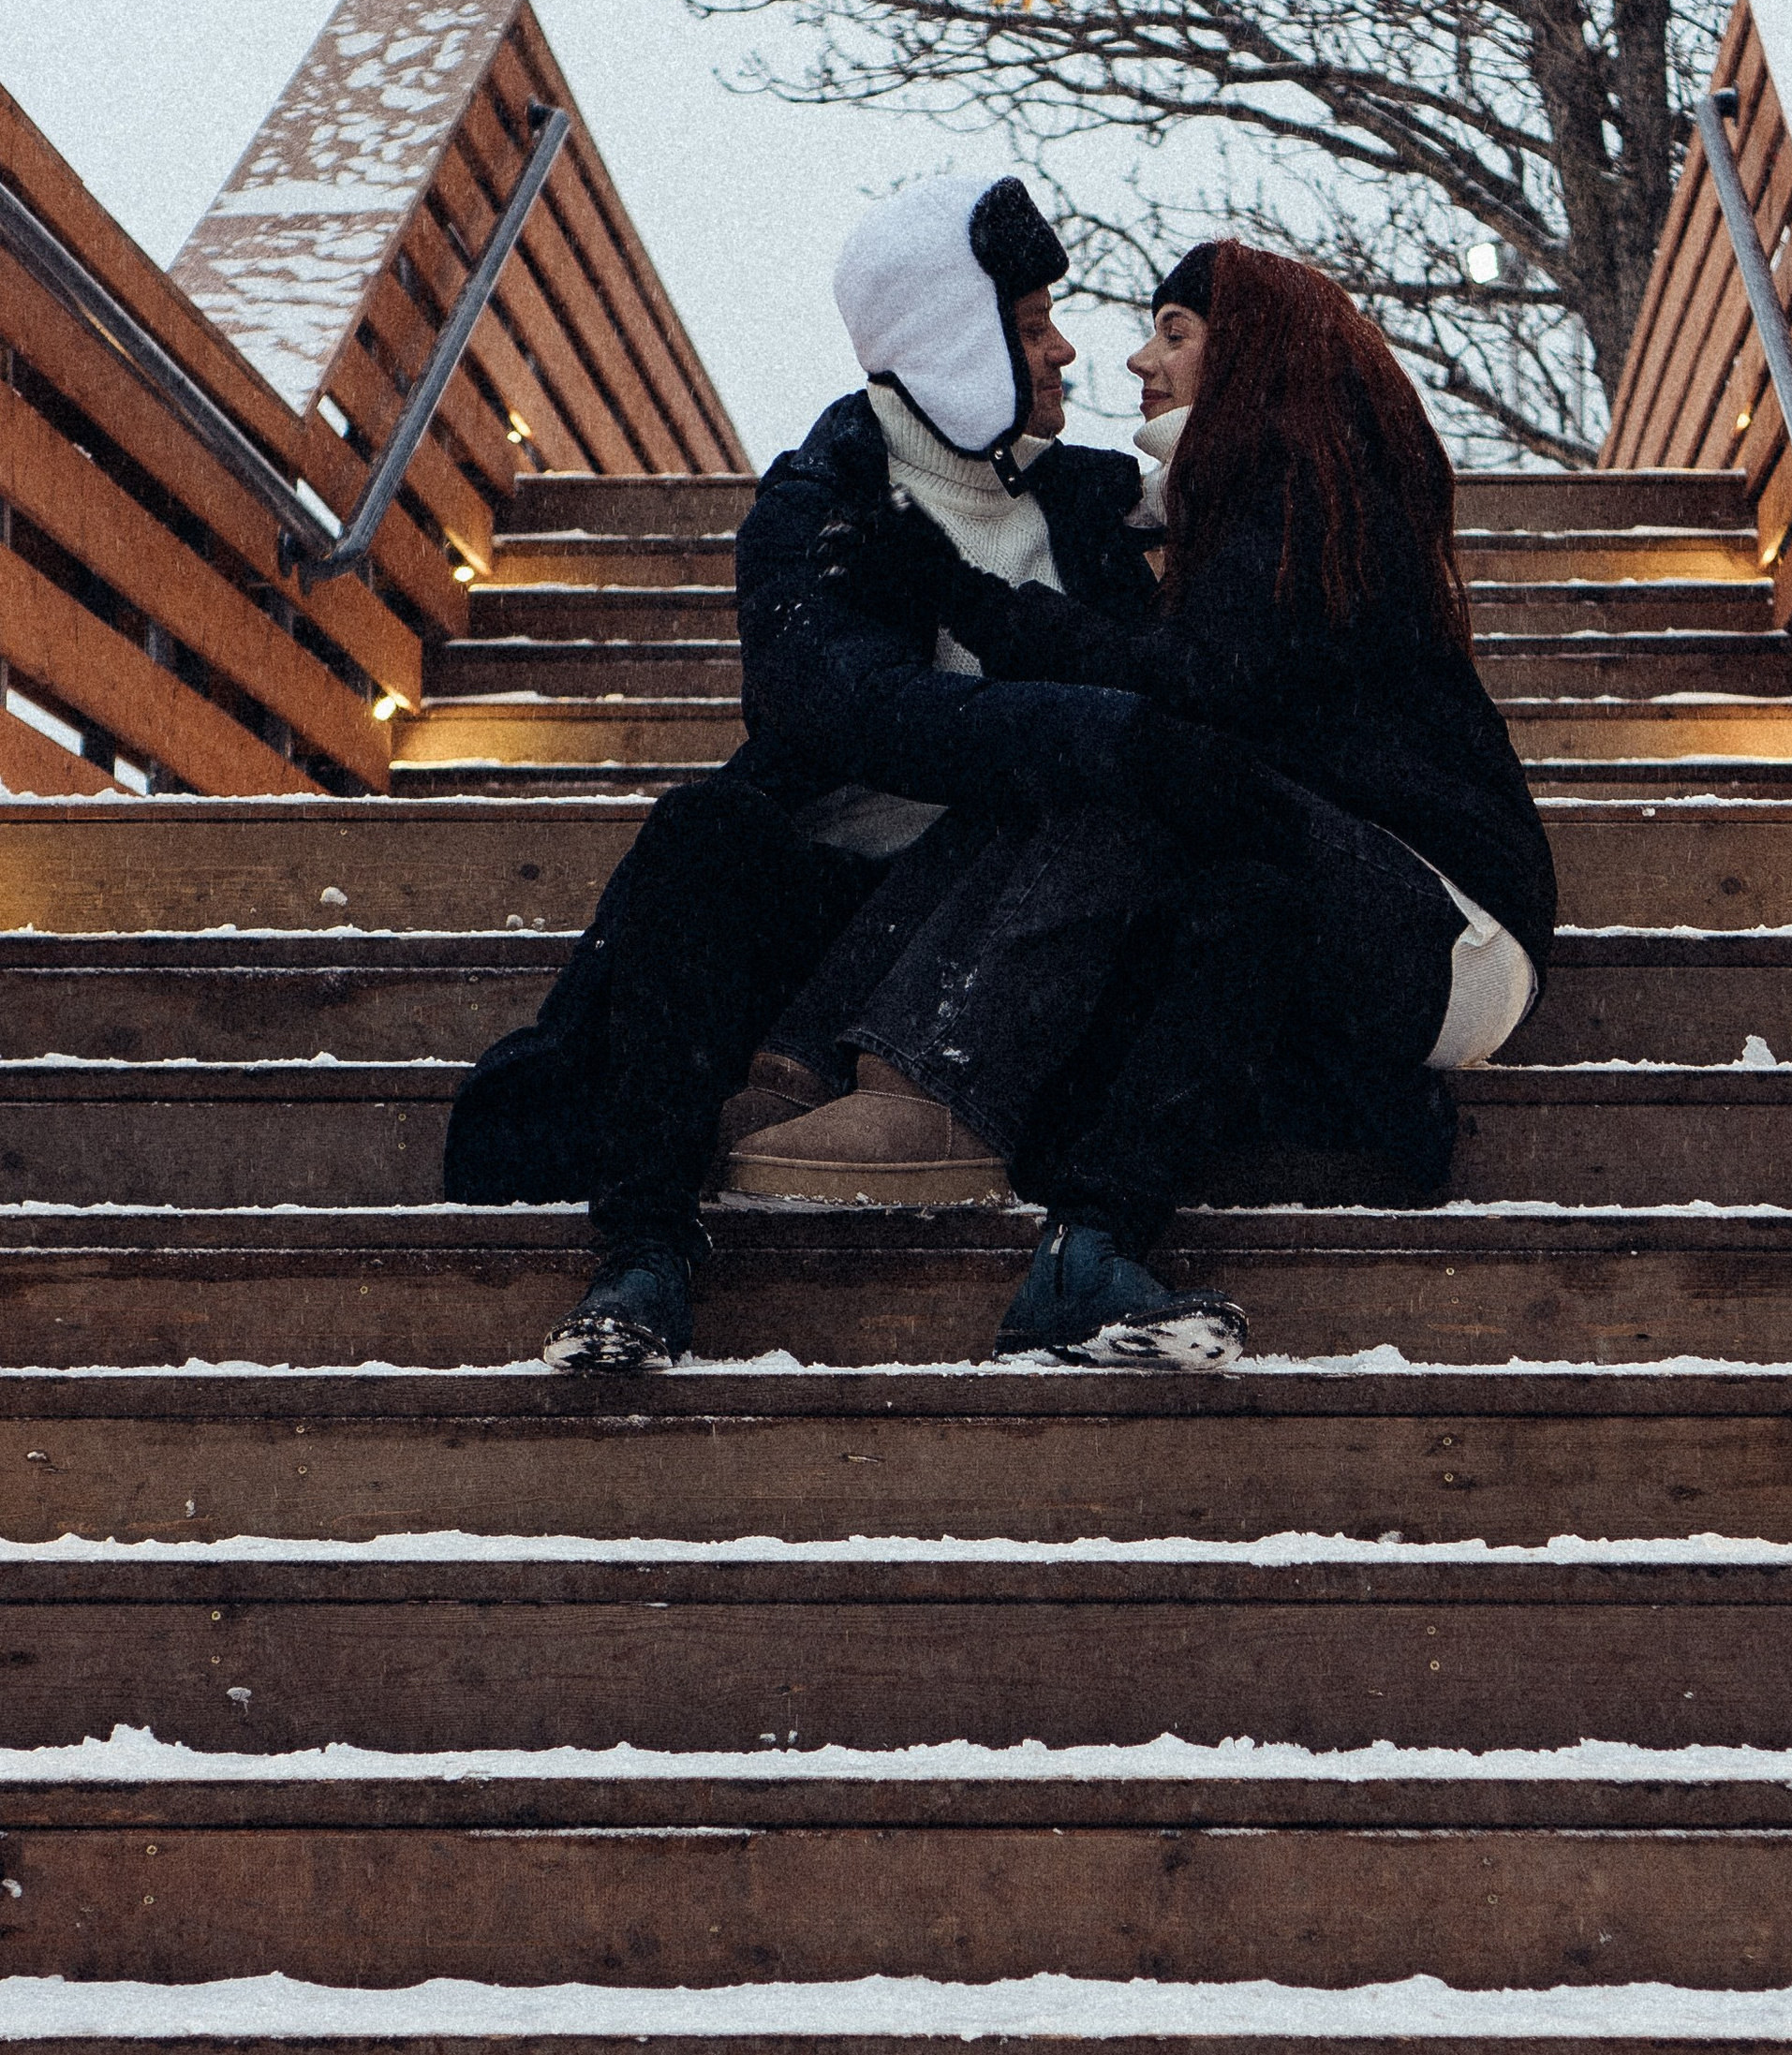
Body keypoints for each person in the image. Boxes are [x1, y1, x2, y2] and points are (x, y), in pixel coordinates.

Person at [734, 238, 1556, 1365]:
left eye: (1175, 332)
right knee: (1084, 768)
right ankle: (832, 1076)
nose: (1135, 357)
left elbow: (1185, 689)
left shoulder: (1309, 491)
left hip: (1444, 918)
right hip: (1347, 907)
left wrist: (955, 591)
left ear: (1254, 351)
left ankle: (930, 1088)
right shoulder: (1233, 505)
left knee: (1116, 755)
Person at [441, 170, 1159, 1368]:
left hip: (1014, 918)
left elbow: (1272, 506)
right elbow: (838, 707)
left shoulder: (1092, 502)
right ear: (953, 337)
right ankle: (645, 1257)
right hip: (836, 905)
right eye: (1030, 325)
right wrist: (1089, 727)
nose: (1065, 351)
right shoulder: (819, 500)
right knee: (705, 832)